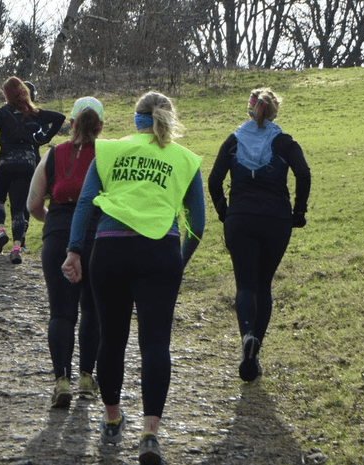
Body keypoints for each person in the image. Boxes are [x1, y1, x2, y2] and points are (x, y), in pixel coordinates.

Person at [62, 91, 205, 464]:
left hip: (109, 250)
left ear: (136, 119)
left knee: (112, 339)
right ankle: (149, 434)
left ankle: (112, 419)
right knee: (156, 344)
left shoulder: (109, 150)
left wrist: (74, 250)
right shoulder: (185, 159)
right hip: (160, 251)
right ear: (168, 118)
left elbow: (85, 203)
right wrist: (179, 260)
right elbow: (198, 223)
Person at [208, 88, 311, 382]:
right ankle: (253, 357)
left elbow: (214, 180)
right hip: (276, 220)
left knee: (245, 285)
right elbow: (304, 174)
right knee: (264, 285)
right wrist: (298, 212)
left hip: (240, 219)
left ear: (250, 109)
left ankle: (246, 337)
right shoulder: (284, 141)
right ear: (274, 111)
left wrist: (225, 213)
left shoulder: (233, 141)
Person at [27, 97, 105, 408]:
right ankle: (87, 377)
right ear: (100, 127)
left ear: (70, 124)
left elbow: (33, 204)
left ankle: (62, 381)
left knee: (61, 312)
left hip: (58, 234)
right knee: (92, 309)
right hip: (96, 235)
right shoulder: (108, 155)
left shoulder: (53, 154)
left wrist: (53, 221)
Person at [0, 76, 66, 264]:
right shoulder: (34, 113)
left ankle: (0, 230)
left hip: (6, 162)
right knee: (18, 208)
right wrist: (46, 138)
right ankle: (16, 248)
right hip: (28, 163)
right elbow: (60, 118)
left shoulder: (3, 112)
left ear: (7, 94)